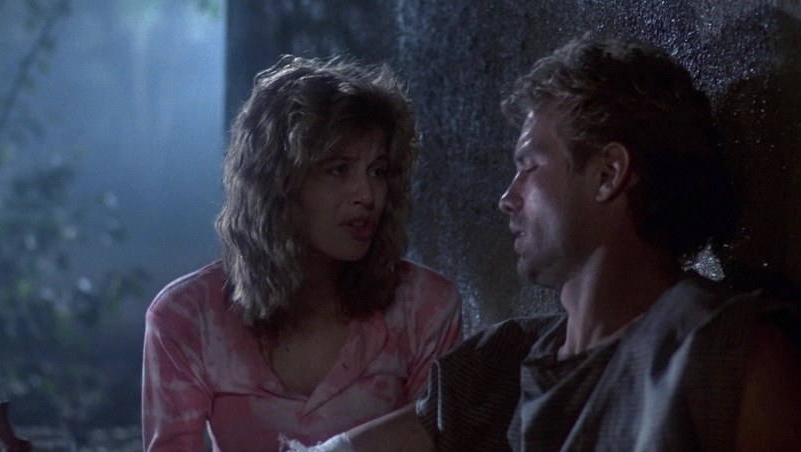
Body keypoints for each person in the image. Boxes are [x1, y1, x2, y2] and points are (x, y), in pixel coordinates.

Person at [293, 36, 801, 451]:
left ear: (608, 174)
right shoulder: (498, 364)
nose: (506, 198)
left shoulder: (725, 356)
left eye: (529, 166)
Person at [141, 55, 463, 451]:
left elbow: (445, 437)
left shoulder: (425, 307)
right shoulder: (186, 316)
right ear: (279, 184)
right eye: (338, 170)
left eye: (377, 171)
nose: (367, 196)